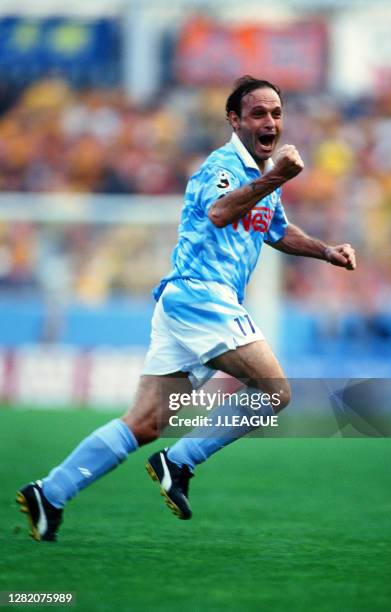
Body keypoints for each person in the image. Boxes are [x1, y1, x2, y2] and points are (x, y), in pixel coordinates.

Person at [16, 76, 356, 541]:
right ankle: (179, 462)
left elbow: (276, 230)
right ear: (234, 120)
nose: (270, 121)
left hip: (189, 307)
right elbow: (219, 212)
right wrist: (275, 175)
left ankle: (48, 493)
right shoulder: (222, 166)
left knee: (144, 424)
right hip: (202, 296)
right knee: (274, 391)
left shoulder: (260, 176)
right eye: (258, 113)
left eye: (276, 113)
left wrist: (325, 251)